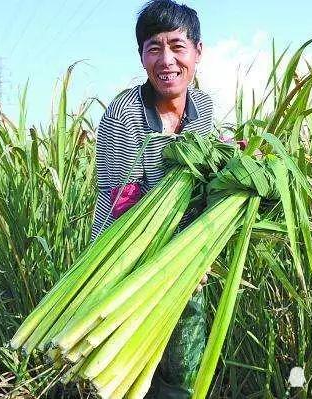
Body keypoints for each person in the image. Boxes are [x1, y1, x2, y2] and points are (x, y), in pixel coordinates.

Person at [90, 1, 213, 397]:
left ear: (197, 51)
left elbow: (204, 182)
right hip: (125, 262)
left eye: (177, 46)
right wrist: (151, 266)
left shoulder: (205, 108)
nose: (166, 60)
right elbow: (117, 201)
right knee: (124, 371)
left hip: (186, 263)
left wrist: (197, 254)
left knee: (182, 373)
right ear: (141, 56)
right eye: (153, 47)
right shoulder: (124, 114)